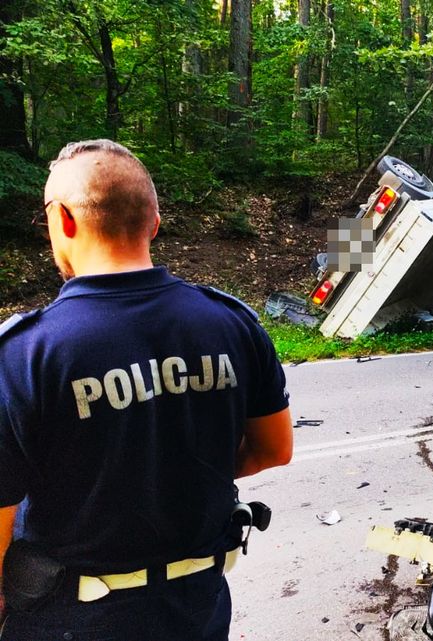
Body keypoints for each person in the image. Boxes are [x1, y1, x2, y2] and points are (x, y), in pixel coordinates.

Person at [0, 140, 294, 640]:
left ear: (64, 220)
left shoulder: (25, 353)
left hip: (73, 619)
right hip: (196, 609)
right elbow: (274, 449)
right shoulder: (231, 323)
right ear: (154, 223)